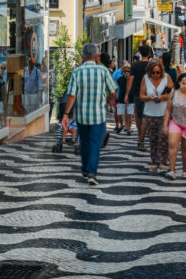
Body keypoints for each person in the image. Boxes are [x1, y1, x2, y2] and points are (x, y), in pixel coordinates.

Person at [63, 43, 118, 186]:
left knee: (85, 143)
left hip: (81, 116)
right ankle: (92, 173)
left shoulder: (76, 72)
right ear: (96, 56)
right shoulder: (103, 71)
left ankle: (85, 169)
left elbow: (72, 96)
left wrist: (66, 114)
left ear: (82, 56)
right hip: (98, 115)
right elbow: (113, 90)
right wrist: (108, 100)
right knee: (95, 143)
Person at [140, 59, 173, 173]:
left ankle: (163, 163)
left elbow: (172, 93)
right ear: (149, 71)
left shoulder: (166, 77)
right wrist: (150, 98)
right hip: (150, 113)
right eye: (153, 72)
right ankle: (154, 162)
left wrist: (163, 97)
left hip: (164, 113)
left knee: (163, 138)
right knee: (153, 139)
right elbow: (141, 96)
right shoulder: (145, 78)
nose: (155, 75)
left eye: (158, 72)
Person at [126, 45, 152, 152]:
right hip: (149, 94)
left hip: (136, 93)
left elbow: (130, 80)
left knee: (138, 114)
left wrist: (126, 94)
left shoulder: (135, 65)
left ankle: (140, 136)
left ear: (140, 53)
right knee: (147, 115)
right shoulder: (152, 65)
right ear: (149, 54)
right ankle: (143, 136)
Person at [115, 64, 133, 135]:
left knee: (130, 114)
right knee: (119, 114)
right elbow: (116, 87)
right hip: (121, 98)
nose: (126, 73)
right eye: (125, 71)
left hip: (131, 98)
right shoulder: (120, 79)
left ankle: (128, 128)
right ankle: (122, 125)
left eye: (128, 71)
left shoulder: (132, 79)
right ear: (122, 72)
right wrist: (115, 94)